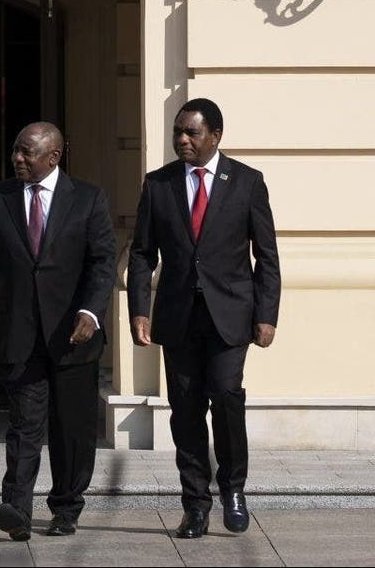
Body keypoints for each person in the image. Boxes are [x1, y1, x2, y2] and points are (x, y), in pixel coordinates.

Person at [0, 122, 115, 541]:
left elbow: (102, 263)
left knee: (71, 428)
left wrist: (91, 313)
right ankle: (16, 508)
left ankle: (65, 508)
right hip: (19, 330)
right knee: (25, 423)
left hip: (73, 333)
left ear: (53, 157)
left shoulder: (88, 199)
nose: (17, 159)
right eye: (16, 151)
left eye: (27, 153)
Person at [127, 98, 280, 539]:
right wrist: (140, 308)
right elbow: (141, 254)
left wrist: (266, 314)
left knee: (227, 397)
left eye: (191, 133)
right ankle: (195, 504)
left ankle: (233, 487)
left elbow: (266, 256)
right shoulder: (159, 185)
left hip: (231, 315)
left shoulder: (247, 183)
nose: (182, 140)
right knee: (186, 411)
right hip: (177, 318)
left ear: (215, 136)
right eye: (178, 132)